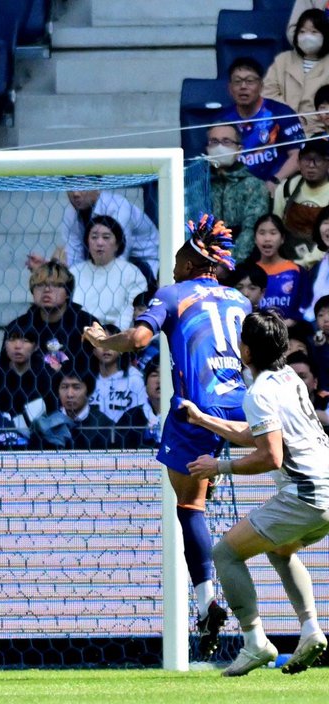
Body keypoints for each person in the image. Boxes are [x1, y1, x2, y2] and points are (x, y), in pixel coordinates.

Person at [83, 215, 251, 660]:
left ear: (194, 259)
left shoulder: (173, 293)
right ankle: (274, 630)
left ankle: (207, 602)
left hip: (195, 411)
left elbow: (139, 339)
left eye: (178, 256)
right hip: (244, 404)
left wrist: (104, 340)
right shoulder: (238, 299)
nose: (172, 264)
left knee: (190, 506)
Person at [183, 310, 329, 676]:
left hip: (305, 494)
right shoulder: (290, 378)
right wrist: (203, 419)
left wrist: (220, 466)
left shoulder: (259, 392)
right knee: (281, 551)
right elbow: (259, 433)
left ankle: (255, 641)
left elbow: (271, 454)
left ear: (244, 352)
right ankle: (310, 629)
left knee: (225, 553)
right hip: (325, 489)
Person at [5, 260, 98, 379]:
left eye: (55, 285)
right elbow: (5, 369)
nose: (47, 290)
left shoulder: (86, 324)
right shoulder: (18, 326)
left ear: (68, 292)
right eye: (40, 285)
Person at [220, 56, 302, 189]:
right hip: (236, 189)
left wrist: (275, 181)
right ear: (230, 88)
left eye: (250, 81)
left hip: (275, 184)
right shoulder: (223, 120)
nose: (243, 86)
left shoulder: (281, 113)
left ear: (261, 86)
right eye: (237, 81)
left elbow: (297, 155)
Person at [70, 215, 149, 331]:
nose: (99, 242)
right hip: (78, 335)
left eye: (106, 237)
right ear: (87, 242)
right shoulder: (74, 272)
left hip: (116, 337)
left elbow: (130, 313)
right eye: (94, 237)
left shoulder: (131, 273)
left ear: (117, 244)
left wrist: (111, 337)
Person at [207, 124, 272, 263]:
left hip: (242, 265)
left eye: (226, 141)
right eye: (214, 141)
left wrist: (227, 263)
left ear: (239, 149)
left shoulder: (254, 185)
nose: (220, 147)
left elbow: (251, 229)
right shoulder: (199, 186)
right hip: (204, 262)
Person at [263, 9, 329, 137]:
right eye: (302, 32)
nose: (307, 37)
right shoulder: (283, 59)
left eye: (314, 32)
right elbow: (268, 93)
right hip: (282, 128)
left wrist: (309, 121)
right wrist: (290, 117)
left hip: (321, 131)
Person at [0, 323, 52, 430]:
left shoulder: (47, 376)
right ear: (5, 344)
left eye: (25, 340)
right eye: (12, 339)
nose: (17, 346)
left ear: (36, 346)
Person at [272, 139, 329, 266]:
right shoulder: (287, 187)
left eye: (318, 160)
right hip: (288, 257)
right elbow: (276, 226)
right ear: (298, 162)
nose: (311, 165)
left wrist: (302, 264)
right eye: (306, 159)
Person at [31, 368, 117, 450]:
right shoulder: (48, 424)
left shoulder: (105, 425)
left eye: (76, 387)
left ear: (88, 391)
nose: (69, 395)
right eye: (64, 387)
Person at [88, 323, 148, 424]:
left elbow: (141, 414)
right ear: (93, 349)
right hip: (90, 437)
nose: (106, 348)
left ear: (121, 348)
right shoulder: (86, 380)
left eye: (111, 342)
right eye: (101, 342)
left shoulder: (134, 379)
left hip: (125, 436)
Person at [117, 360, 163, 449]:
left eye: (165, 375)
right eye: (154, 375)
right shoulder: (130, 417)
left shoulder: (184, 416)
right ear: (145, 384)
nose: (160, 380)